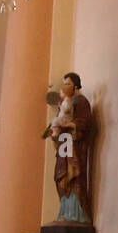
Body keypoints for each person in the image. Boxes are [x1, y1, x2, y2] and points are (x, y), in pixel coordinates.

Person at [47, 71, 93, 224]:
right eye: (64, 84)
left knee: (73, 175)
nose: (65, 87)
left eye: (68, 84)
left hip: (74, 145)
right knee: (60, 175)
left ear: (75, 86)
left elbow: (84, 123)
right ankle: (64, 211)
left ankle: (76, 213)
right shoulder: (66, 102)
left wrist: (69, 124)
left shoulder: (81, 102)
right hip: (64, 143)